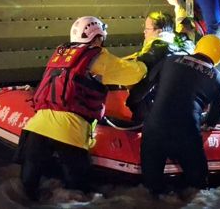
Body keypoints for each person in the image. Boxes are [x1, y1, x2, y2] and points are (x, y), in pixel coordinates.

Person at [10, 16, 147, 202]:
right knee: (78, 192)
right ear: (97, 37)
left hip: (36, 128)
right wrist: (148, 59)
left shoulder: (61, 53)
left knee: (26, 190)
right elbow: (133, 74)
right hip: (69, 132)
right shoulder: (98, 57)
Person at [140, 34, 220, 197]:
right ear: (218, 58)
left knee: (151, 189)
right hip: (187, 134)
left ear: (198, 47)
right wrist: (207, 124)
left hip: (154, 130)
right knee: (200, 187)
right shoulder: (219, 78)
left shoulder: (170, 60)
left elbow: (145, 87)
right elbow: (214, 115)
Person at [124, 11, 194, 122]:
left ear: (159, 31)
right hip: (185, 107)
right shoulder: (186, 45)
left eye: (147, 29)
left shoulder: (155, 51)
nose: (144, 32)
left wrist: (130, 101)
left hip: (156, 111)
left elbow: (144, 84)